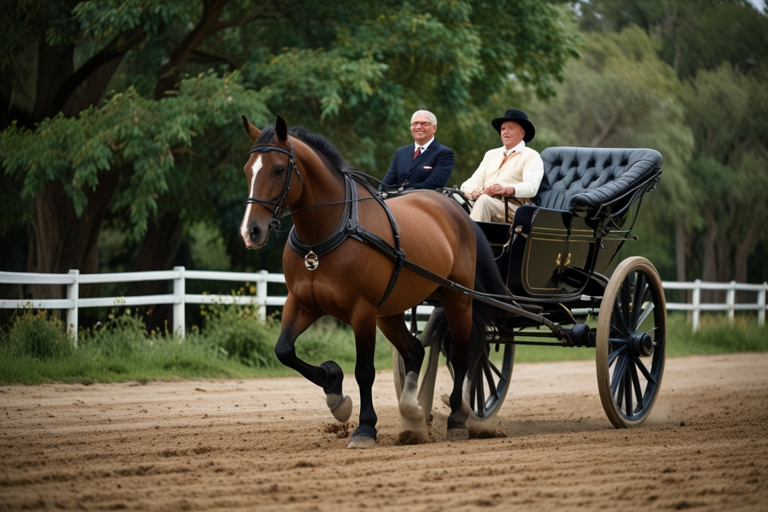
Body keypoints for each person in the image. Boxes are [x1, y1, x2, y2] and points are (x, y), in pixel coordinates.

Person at [460, 109, 543, 223]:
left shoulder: (531, 155)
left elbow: (531, 187)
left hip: (513, 208)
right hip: (483, 200)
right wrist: (474, 191)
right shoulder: (491, 154)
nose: (505, 132)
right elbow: (473, 180)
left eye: (511, 128)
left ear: (522, 133)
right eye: (503, 129)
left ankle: (471, 240)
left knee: (484, 201)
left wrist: (505, 190)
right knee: (450, 199)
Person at [381, 110, 454, 191]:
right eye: (415, 123)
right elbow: (386, 184)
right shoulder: (400, 152)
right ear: (411, 127)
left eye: (425, 123)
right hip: (396, 201)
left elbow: (433, 183)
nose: (418, 127)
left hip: (424, 201)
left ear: (434, 128)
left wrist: (404, 192)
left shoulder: (444, 153)